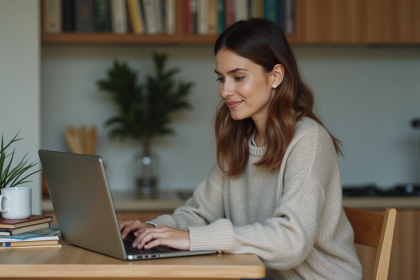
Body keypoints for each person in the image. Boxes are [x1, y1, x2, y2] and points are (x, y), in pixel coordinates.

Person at [119, 18, 363, 280]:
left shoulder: (309, 140)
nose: (225, 90)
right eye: (221, 78)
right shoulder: (240, 141)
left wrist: (191, 238)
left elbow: (291, 241)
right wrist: (152, 229)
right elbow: (201, 214)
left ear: (276, 76)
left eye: (238, 77)